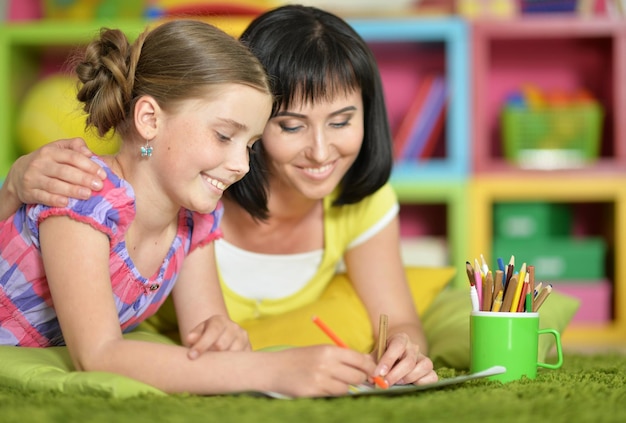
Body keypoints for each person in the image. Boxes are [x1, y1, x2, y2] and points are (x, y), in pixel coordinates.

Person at [0, 5, 437, 387]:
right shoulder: (83, 195)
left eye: (247, 144)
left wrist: (226, 338)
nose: (243, 165)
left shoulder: (192, 218)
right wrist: (273, 369)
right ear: (148, 118)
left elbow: (208, 332)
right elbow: (98, 354)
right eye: (225, 135)